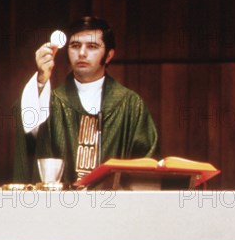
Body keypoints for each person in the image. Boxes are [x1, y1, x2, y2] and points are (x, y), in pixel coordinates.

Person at [14, 16, 158, 184]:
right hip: (60, 206)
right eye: (75, 46)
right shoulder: (51, 101)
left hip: (115, 206)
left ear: (109, 55)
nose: (81, 53)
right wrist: (40, 82)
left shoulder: (130, 104)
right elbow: (29, 133)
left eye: (92, 46)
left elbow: (147, 166)